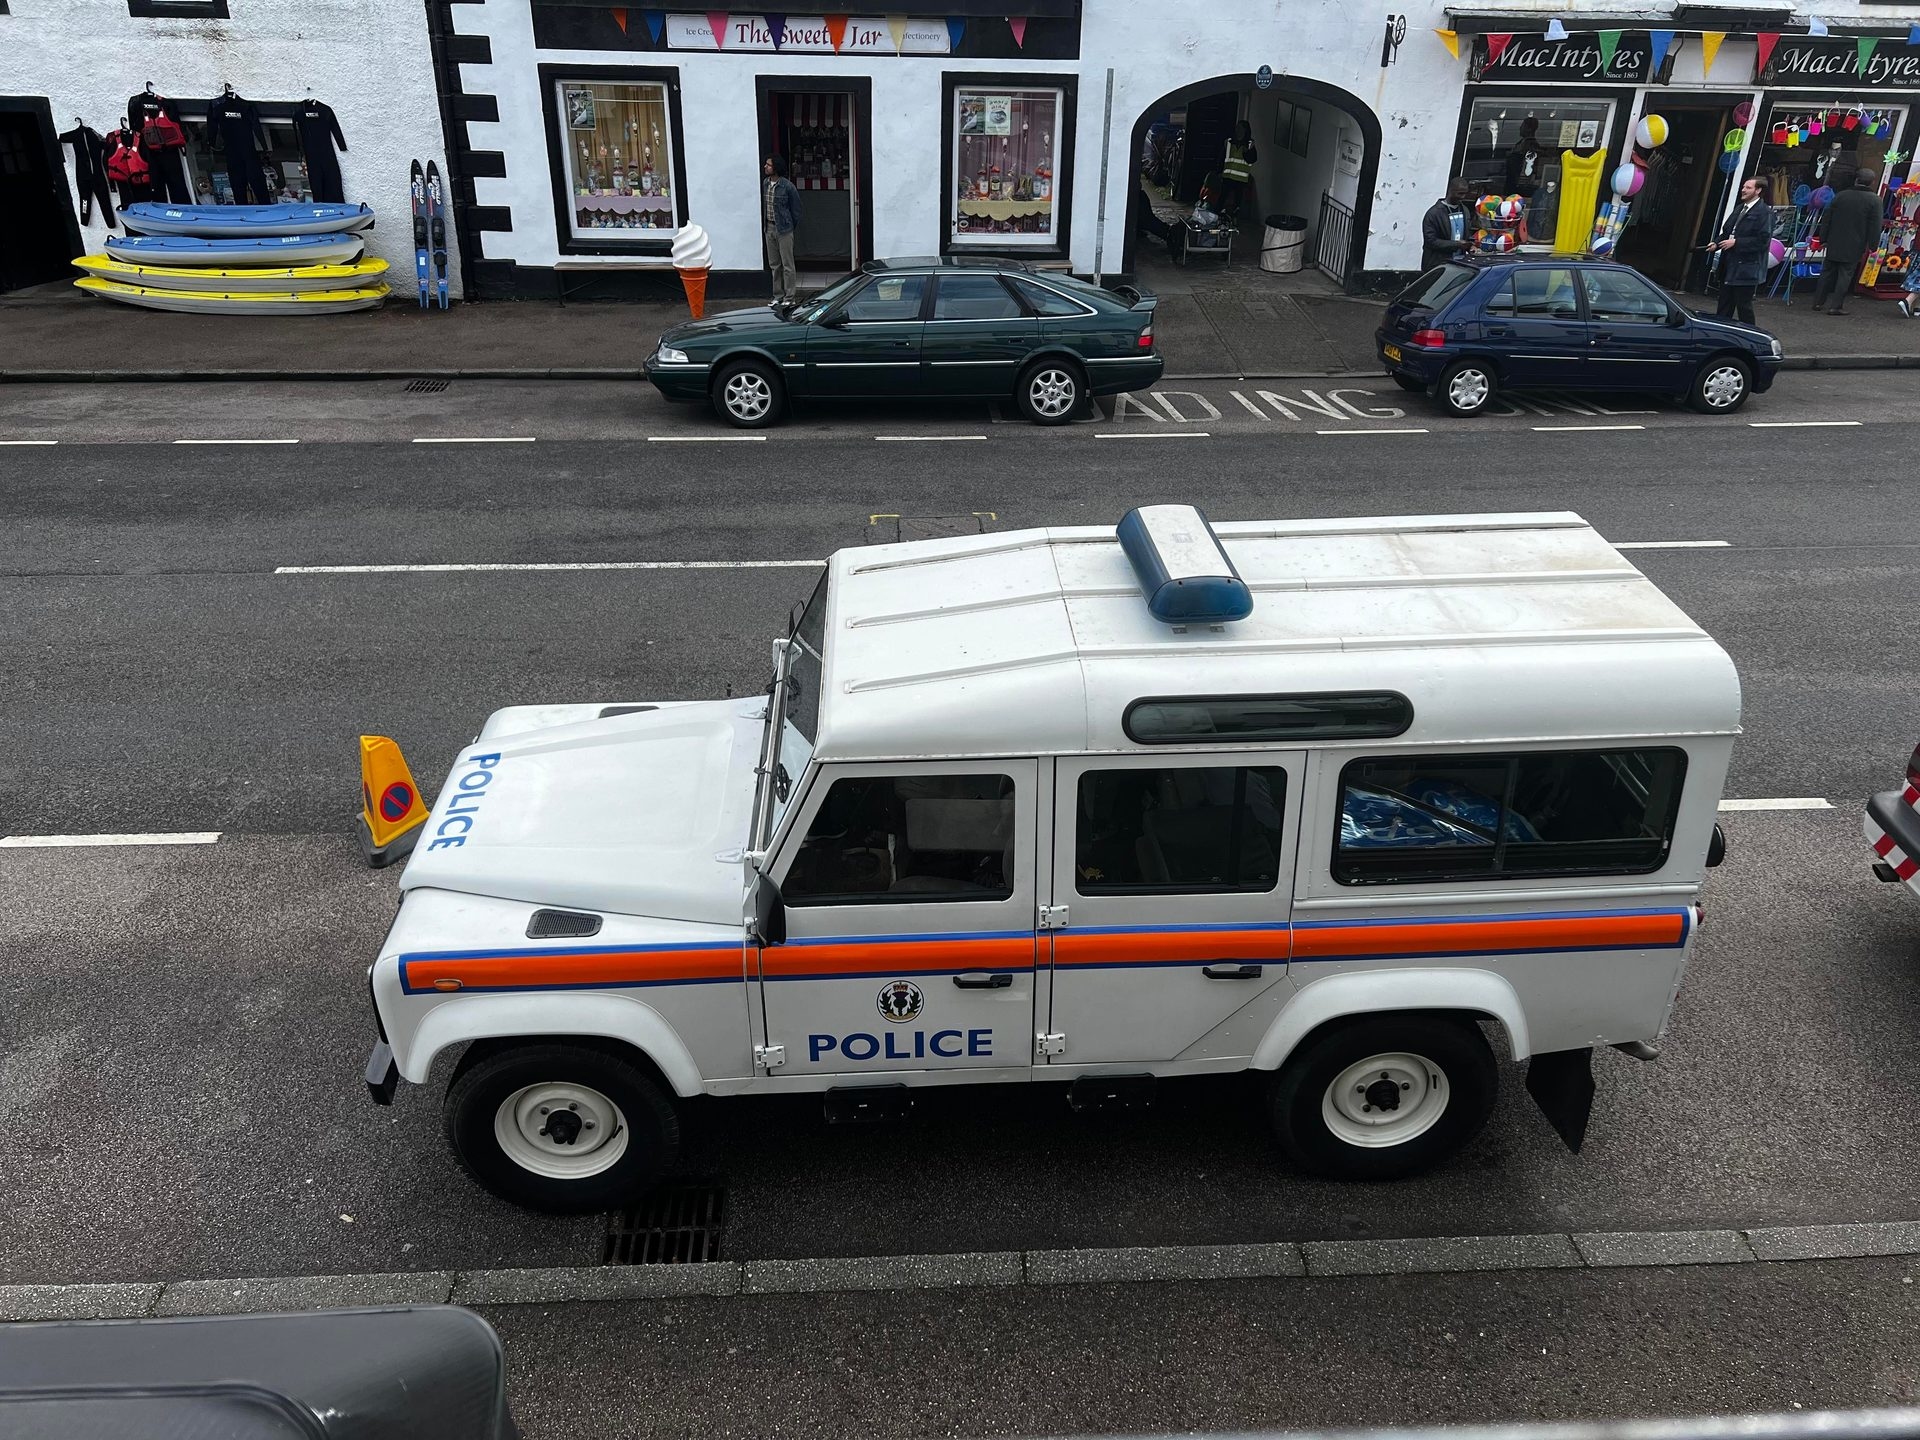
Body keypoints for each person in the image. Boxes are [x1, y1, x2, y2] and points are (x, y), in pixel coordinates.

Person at [1811, 169, 1883, 316]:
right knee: (1846, 274)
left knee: (1827, 272)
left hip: (1834, 239)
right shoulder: (1874, 200)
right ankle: (1836, 306)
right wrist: (1873, 245)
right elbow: (1875, 225)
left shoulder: (1840, 195)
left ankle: (1818, 302)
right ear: (1872, 182)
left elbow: (1827, 218)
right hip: (1855, 242)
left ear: (1856, 180)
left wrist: (1823, 239)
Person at [1712, 175, 1772, 325]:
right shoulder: (1740, 208)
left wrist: (1737, 243)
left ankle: (1753, 339)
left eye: (1748, 187)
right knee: (1724, 305)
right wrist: (1716, 243)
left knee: (1743, 307)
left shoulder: (1764, 213)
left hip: (1746, 269)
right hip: (1729, 265)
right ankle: (1721, 335)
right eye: (1744, 187)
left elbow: (1763, 241)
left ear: (1758, 190)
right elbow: (1728, 231)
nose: (1743, 190)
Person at [761, 155, 800, 310]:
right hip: (769, 227)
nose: (765, 167)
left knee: (787, 264)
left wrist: (789, 226)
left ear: (775, 168)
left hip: (784, 229)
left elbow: (796, 209)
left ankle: (790, 296)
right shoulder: (765, 184)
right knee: (774, 264)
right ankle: (778, 295)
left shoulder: (787, 186)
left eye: (768, 165)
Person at [1420, 179, 1473, 273]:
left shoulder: (1465, 210)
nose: (1463, 197)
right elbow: (1431, 241)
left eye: (1465, 193)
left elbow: (1467, 234)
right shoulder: (1433, 213)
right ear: (1450, 191)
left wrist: (1471, 245)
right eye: (1460, 193)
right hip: (1438, 266)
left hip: (1459, 265)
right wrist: (1457, 245)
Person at [1220, 120, 1257, 220]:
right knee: (1222, 200)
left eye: (1241, 128)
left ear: (1246, 131)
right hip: (1227, 176)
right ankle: (1220, 217)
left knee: (1237, 203)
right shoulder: (1228, 142)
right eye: (1237, 128)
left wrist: (1247, 152)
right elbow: (1221, 158)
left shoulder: (1249, 144)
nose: (1238, 131)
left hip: (1240, 179)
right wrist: (1219, 172)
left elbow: (1252, 159)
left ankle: (1234, 218)